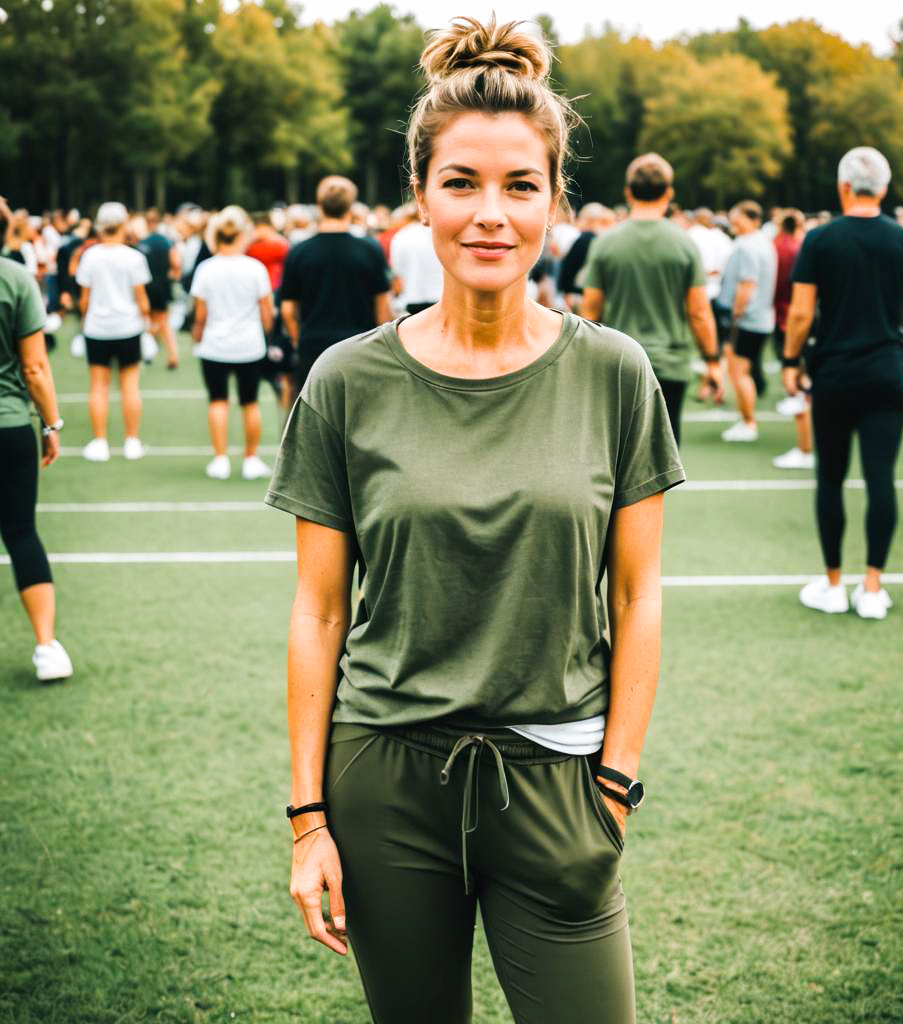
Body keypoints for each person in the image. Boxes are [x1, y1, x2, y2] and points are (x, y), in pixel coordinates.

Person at [266, 17, 685, 1023]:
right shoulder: (345, 380)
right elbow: (319, 613)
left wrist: (617, 781)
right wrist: (307, 818)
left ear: (555, 201)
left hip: (558, 780)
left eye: (518, 186)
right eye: (459, 183)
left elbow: (637, 591)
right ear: (419, 198)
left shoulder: (614, 372)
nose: (489, 214)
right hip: (385, 784)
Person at [783, 147, 903, 620]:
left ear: (843, 186)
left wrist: (791, 359)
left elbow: (803, 312)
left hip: (835, 372)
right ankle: (872, 586)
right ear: (884, 189)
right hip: (887, 368)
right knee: (881, 477)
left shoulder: (821, 239)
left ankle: (833, 584)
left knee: (831, 477)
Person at [581, 152, 723, 442]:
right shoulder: (685, 243)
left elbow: (590, 312)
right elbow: (699, 312)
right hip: (670, 364)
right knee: (661, 463)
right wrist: (712, 361)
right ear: (669, 193)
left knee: (616, 455)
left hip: (617, 364)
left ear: (628, 192)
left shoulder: (606, 242)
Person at [0, 197, 72, 681]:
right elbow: (34, 366)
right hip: (8, 425)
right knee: (21, 532)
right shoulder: (15, 277)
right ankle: (46, 647)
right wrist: (52, 424)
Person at [278, 176, 392, 397]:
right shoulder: (369, 249)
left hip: (313, 345)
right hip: (360, 345)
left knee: (313, 420)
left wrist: (298, 338)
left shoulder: (299, 251)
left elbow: (288, 309)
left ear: (319, 206)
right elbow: (382, 308)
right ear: (351, 206)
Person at [189, 206, 275, 481]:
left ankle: (221, 458)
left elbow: (200, 315)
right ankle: (251, 459)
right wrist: (266, 334)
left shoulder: (206, 268)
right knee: (250, 402)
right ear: (243, 233)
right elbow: (266, 312)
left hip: (215, 345)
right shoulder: (254, 268)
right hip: (249, 345)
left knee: (218, 401)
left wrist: (198, 336)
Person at [75, 201, 151, 462]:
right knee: (130, 386)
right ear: (124, 223)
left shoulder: (90, 255)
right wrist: (148, 326)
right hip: (128, 327)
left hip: (97, 328)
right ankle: (132, 440)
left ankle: (100, 442)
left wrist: (83, 323)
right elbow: (142, 298)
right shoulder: (134, 257)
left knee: (99, 386)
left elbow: (84, 299)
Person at [718, 200, 778, 442]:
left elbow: (747, 284)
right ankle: (746, 420)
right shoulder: (763, 242)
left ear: (753, 219)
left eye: (738, 219)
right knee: (744, 371)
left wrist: (736, 315)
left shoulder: (748, 246)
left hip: (749, 319)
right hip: (760, 317)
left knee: (739, 371)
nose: (734, 224)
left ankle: (748, 422)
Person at [771, 210, 815, 470]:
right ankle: (805, 446)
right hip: (794, 316)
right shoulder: (797, 247)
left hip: (791, 317)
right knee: (804, 382)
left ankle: (806, 448)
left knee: (801, 383)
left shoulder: (788, 248)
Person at [137, 208, 181, 369]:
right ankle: (172, 355)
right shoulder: (166, 241)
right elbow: (176, 262)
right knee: (163, 322)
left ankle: (148, 351)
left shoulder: (143, 243)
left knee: (152, 322)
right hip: (163, 286)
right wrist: (172, 275)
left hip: (148, 286)